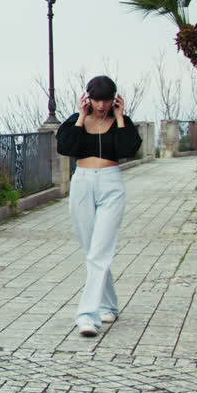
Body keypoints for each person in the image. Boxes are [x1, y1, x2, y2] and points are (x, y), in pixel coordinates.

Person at [55, 75, 142, 337]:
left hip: (111, 183)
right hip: (82, 182)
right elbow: (66, 147)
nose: (101, 105)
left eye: (106, 100)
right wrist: (81, 117)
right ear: (87, 97)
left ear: (114, 98)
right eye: (96, 100)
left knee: (100, 250)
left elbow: (128, 149)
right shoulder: (75, 121)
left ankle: (87, 316)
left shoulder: (120, 123)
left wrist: (120, 117)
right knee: (91, 249)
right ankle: (109, 305)